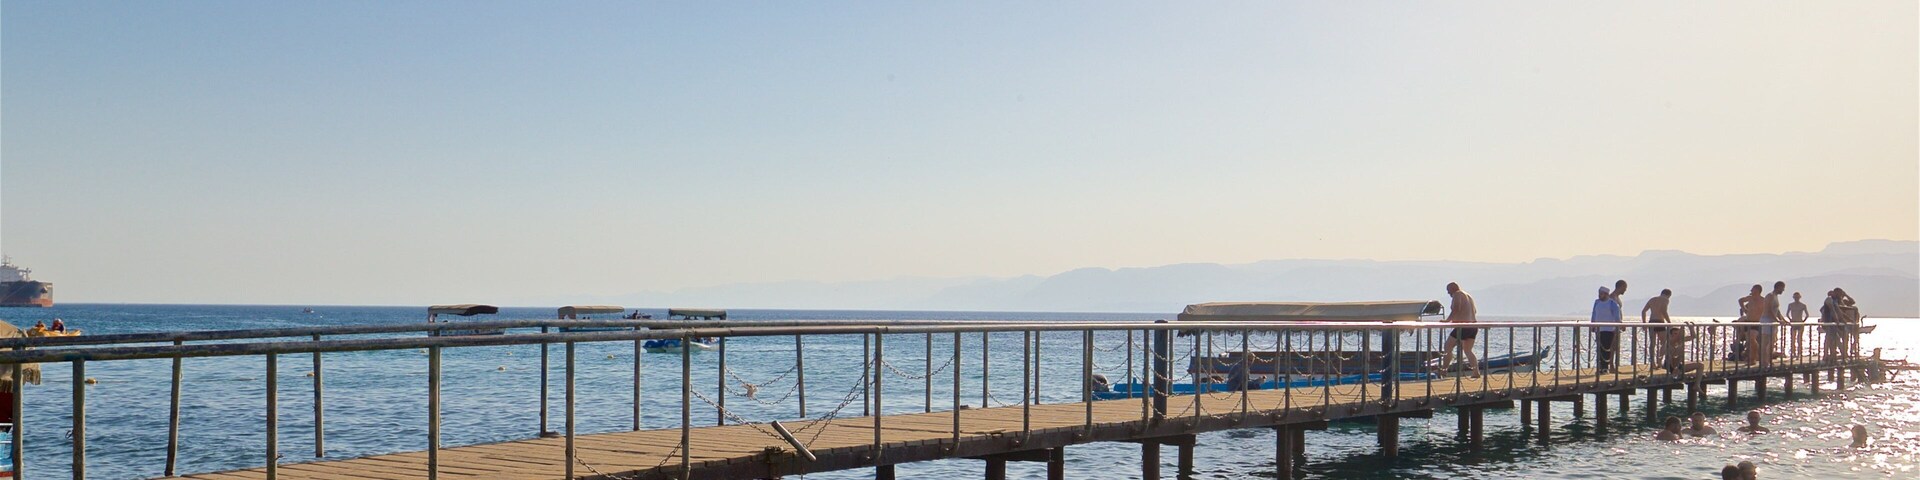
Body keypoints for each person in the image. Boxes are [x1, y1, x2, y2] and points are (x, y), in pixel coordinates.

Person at [1440, 282, 1481, 377]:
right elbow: (1475, 311)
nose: (1448, 293)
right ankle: (1476, 372)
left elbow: (1456, 309)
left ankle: (1444, 371)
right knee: (1468, 350)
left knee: (1447, 347)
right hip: (1473, 326)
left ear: (1452, 289)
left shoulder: (1457, 294)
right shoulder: (1468, 295)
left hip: (1463, 326)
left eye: (1448, 291)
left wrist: (1447, 321)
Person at [1591, 287, 1622, 373]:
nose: (1599, 295)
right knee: (1600, 349)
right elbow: (1594, 314)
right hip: (1598, 329)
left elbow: (1617, 317)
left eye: (1601, 293)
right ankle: (1600, 367)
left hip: (1609, 329)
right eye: (1599, 293)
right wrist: (1592, 325)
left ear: (1606, 294)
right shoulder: (1597, 302)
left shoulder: (1612, 303)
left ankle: (1605, 367)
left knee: (1607, 349)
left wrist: (1619, 325)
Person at [1642, 289, 1674, 370]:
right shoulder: (1665, 300)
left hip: (1651, 322)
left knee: (1652, 344)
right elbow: (1664, 311)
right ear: (1668, 295)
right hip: (1660, 321)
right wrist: (1669, 322)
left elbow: (1643, 311)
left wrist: (1644, 323)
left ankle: (1652, 362)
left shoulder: (1652, 299)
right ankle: (1659, 360)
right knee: (1664, 342)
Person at [1738, 285, 1768, 364]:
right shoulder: (1750, 298)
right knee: (1749, 341)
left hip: (1756, 322)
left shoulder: (1763, 300)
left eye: (1753, 290)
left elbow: (1770, 309)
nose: (1751, 291)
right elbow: (1740, 300)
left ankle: (1754, 357)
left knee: (1752, 338)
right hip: (1748, 322)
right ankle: (1751, 358)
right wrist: (1744, 309)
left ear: (1757, 291)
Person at [1764, 282, 1787, 363]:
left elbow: (1777, 311)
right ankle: (1766, 361)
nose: (1783, 290)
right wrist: (1778, 320)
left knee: (1773, 341)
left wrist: (1784, 320)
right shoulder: (1770, 296)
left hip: (1773, 320)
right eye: (1782, 288)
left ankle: (1768, 360)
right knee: (1767, 342)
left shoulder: (1776, 297)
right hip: (1767, 320)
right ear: (1778, 287)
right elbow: (1769, 310)